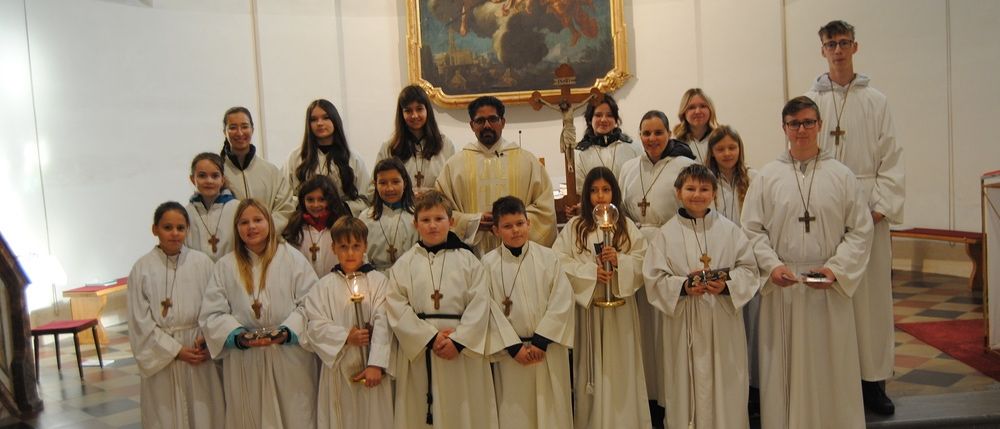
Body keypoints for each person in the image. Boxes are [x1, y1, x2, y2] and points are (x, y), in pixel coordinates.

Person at [742, 96, 873, 429]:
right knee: (783, 368)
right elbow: (751, 229)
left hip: (826, 287)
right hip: (783, 286)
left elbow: (860, 230)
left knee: (830, 365)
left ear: (819, 125)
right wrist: (771, 266)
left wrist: (837, 269)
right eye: (794, 123)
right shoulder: (767, 177)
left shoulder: (842, 176)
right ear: (784, 128)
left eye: (808, 122)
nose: (801, 130)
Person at [804, 19, 905, 415]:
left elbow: (892, 157)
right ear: (822, 50)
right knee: (833, 299)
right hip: (827, 212)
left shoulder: (876, 100)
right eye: (831, 44)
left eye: (844, 43)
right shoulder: (809, 101)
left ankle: (873, 383)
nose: (838, 50)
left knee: (871, 300)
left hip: (869, 211)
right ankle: (835, 379)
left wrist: (879, 206)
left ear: (855, 47)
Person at [643, 164, 758, 429]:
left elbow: (750, 270)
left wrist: (727, 286)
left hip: (722, 321)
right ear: (678, 192)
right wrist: (683, 287)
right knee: (684, 386)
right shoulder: (665, 234)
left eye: (704, 189)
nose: (697, 194)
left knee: (726, 384)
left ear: (714, 193)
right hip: (684, 323)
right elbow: (654, 278)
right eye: (691, 188)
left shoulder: (730, 230)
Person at [385, 190, 501, 428]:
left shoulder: (468, 260)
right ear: (415, 223)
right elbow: (396, 306)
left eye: (439, 219)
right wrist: (429, 338)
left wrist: (458, 341)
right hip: (422, 352)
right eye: (426, 220)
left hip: (461, 351)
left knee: (464, 411)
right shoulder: (404, 264)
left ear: (452, 221)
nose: (433, 226)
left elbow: (480, 302)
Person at [199, 199, 319, 428]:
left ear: (269, 223)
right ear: (236, 228)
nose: (251, 227)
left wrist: (287, 331)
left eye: (257, 220)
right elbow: (213, 313)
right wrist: (238, 336)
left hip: (288, 355)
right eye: (244, 222)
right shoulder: (226, 265)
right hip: (246, 359)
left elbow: (311, 303)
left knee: (294, 415)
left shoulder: (292, 258)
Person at [552, 167, 650, 429]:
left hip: (621, 311)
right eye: (594, 191)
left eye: (606, 190)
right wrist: (590, 273)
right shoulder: (575, 227)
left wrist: (620, 263)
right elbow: (558, 262)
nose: (600, 196)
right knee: (592, 370)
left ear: (614, 193)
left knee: (622, 368)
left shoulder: (626, 226)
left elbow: (643, 260)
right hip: (591, 309)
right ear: (587, 195)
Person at [617, 110, 695, 413]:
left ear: (668, 134)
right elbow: (622, 209)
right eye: (646, 134)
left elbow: (694, 205)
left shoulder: (685, 166)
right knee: (643, 325)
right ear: (639, 135)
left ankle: (672, 394)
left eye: (658, 133)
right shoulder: (628, 167)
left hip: (672, 248)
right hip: (636, 249)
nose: (652, 139)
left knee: (668, 325)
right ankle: (647, 396)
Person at [128, 202, 224, 428]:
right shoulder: (142, 269)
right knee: (167, 416)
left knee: (204, 413)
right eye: (167, 227)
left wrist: (208, 340)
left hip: (198, 350)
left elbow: (217, 306)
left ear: (187, 230)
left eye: (181, 228)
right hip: (164, 357)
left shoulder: (202, 263)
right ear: (155, 230)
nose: (174, 233)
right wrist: (176, 351)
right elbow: (139, 321)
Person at [483, 196, 574, 429]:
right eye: (507, 226)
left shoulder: (548, 258)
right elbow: (487, 309)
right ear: (495, 230)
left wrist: (541, 341)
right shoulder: (487, 265)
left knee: (552, 413)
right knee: (516, 415)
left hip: (547, 351)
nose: (515, 231)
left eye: (520, 223)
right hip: (512, 355)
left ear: (529, 223)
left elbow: (562, 300)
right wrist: (514, 348)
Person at [435, 96, 557, 255]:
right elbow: (439, 211)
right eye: (480, 121)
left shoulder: (528, 162)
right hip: (472, 257)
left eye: (493, 119)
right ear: (472, 125)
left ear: (503, 122)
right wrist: (473, 223)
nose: (487, 125)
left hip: (517, 256)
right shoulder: (454, 166)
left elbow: (545, 210)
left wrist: (509, 223)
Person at [304, 217, 393, 429]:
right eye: (343, 247)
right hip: (338, 367)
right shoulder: (323, 286)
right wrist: (346, 336)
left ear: (365, 246)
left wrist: (375, 364)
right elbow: (313, 325)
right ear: (333, 248)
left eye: (356, 246)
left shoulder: (379, 282)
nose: (350, 253)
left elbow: (384, 322)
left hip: (371, 368)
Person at [705, 125, 762, 413]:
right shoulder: (706, 182)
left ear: (739, 149)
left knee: (752, 329)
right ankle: (725, 388)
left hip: (748, 264)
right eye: (720, 149)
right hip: (717, 264)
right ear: (712, 153)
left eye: (732, 147)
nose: (727, 153)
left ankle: (753, 389)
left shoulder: (754, 179)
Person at [284, 99, 370, 216]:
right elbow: (285, 197)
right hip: (306, 224)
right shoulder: (295, 158)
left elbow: (366, 199)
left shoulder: (353, 158)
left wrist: (341, 207)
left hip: (342, 224)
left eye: (326, 117)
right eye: (314, 119)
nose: (320, 123)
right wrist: (307, 206)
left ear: (335, 120)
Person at [219, 106, 295, 233]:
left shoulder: (271, 171)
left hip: (268, 243)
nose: (239, 133)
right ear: (224, 132)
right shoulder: (217, 174)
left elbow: (285, 208)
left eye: (244, 126)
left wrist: (264, 232)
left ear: (252, 129)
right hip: (232, 244)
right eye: (232, 128)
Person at [375, 85, 456, 195]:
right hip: (400, 210)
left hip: (435, 209)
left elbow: (453, 186)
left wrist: (430, 194)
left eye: (419, 109)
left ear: (427, 110)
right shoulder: (389, 148)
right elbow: (375, 187)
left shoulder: (445, 145)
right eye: (408, 111)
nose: (414, 115)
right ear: (401, 114)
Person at [281, 175, 351, 277]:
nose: (315, 205)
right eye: (310, 200)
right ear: (302, 200)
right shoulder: (295, 228)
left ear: (331, 200)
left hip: (336, 285)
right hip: (303, 288)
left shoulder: (341, 227)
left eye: (322, 199)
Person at [573, 94, 642, 196]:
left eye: (609, 115)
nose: (604, 120)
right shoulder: (579, 154)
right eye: (598, 115)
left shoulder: (633, 148)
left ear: (616, 120)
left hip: (627, 209)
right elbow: (580, 191)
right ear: (589, 119)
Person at [362, 158, 418, 272]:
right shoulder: (365, 217)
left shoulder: (417, 216)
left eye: (395, 182)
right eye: (383, 183)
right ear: (375, 185)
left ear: (405, 183)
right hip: (374, 277)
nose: (390, 188)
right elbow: (362, 255)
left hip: (409, 275)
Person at [185, 152, 239, 262]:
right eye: (202, 175)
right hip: (198, 274)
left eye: (215, 176)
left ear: (222, 179)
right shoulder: (186, 213)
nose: (209, 181)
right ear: (192, 179)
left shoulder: (237, 208)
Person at [672, 88, 720, 164]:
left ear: (710, 109)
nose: (697, 111)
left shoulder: (720, 138)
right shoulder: (675, 143)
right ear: (683, 112)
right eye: (691, 107)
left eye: (703, 106)